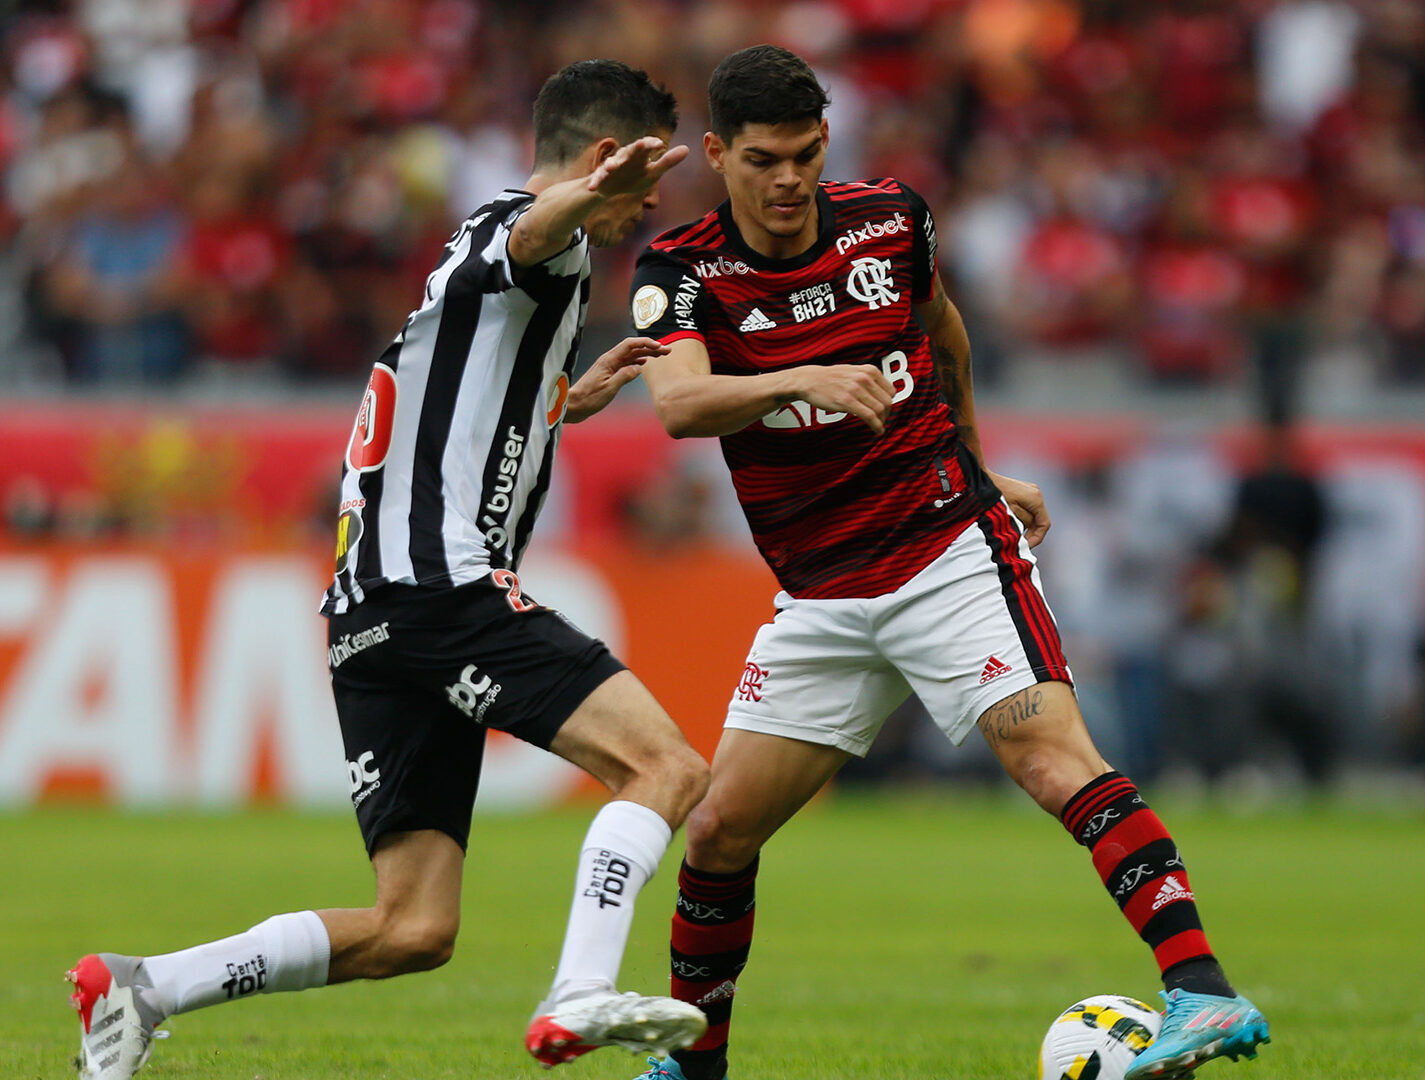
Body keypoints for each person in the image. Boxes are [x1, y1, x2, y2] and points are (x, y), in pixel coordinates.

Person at [624, 45, 1270, 1080]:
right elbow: (677, 403)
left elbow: (945, 333)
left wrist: (975, 460)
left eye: (801, 154)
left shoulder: (892, 220)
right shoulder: (683, 270)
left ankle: (1201, 993)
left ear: (826, 141)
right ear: (717, 155)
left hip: (944, 552)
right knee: (717, 832)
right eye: (760, 160)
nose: (786, 180)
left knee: (1053, 760)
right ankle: (695, 1067)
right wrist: (814, 378)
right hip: (823, 596)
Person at [66, 59, 712, 1080]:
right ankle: (580, 986)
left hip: (369, 619)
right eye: (639, 185)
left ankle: (146, 986)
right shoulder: (529, 230)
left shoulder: (489, 270)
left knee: (412, 925)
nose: (644, 210)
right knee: (666, 766)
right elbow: (537, 231)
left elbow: (455, 390)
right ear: (602, 160)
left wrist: (559, 397)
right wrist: (579, 203)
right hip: (437, 590)